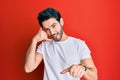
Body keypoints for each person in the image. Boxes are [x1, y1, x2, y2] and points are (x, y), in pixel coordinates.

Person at [24, 8, 98, 80]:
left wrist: (83, 68)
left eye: (53, 26)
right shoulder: (44, 46)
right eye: (47, 29)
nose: (52, 32)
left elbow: (94, 77)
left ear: (61, 21)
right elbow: (28, 68)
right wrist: (34, 41)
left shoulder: (79, 45)